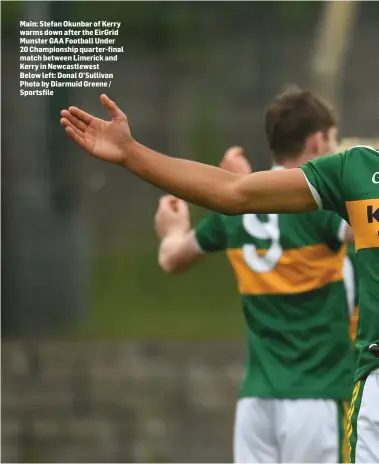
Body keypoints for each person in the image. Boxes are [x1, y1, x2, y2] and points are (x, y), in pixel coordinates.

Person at [60, 91, 379, 464]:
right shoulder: (356, 171)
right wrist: (131, 153)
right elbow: (234, 192)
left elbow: (181, 249)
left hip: (283, 396)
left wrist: (176, 234)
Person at [154, 89, 355, 463]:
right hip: (316, 395)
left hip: (256, 402)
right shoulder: (323, 206)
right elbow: (364, 226)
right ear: (317, 141)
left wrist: (172, 230)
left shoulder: (236, 209)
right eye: (333, 141)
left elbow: (172, 258)